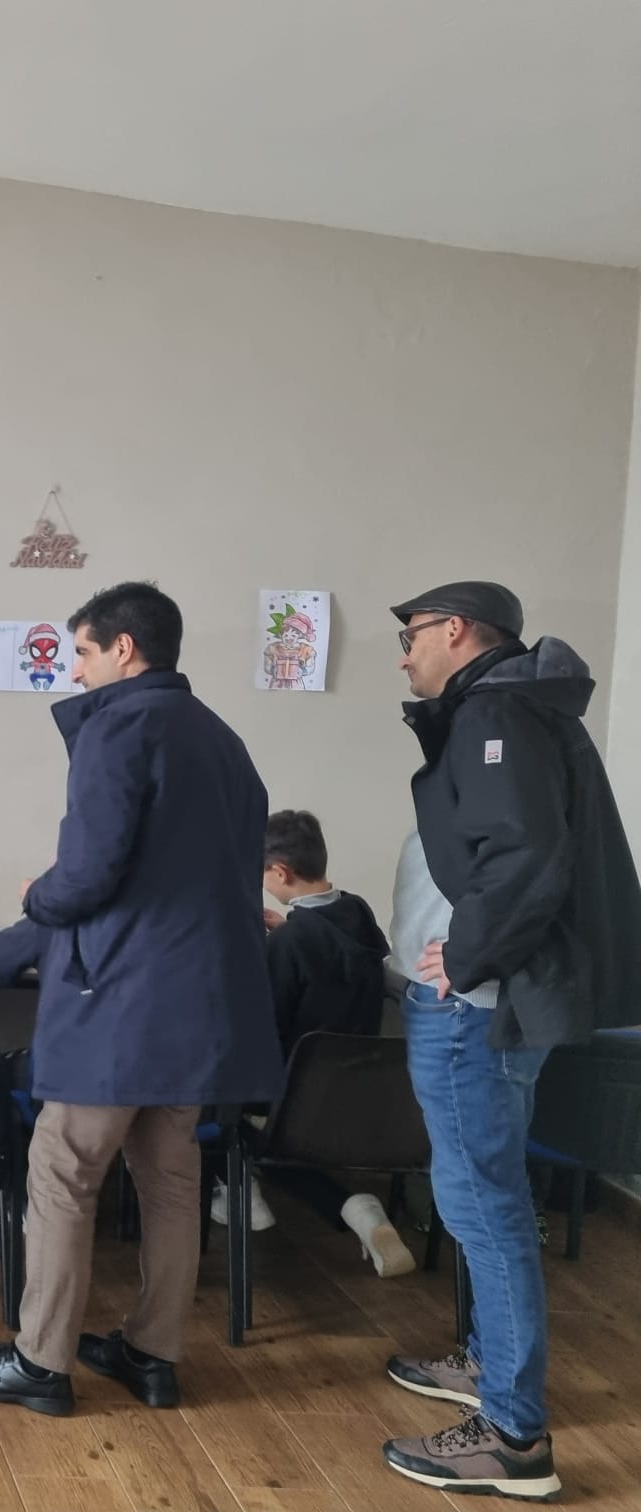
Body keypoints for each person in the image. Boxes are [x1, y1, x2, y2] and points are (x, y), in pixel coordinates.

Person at [0, 582, 282, 1417]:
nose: (77, 671)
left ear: (124, 649)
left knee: (63, 1168)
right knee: (171, 1180)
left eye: (84, 652)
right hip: (201, 1004)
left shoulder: (118, 727)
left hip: (121, 997)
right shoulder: (226, 741)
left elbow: (91, 873)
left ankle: (40, 1361)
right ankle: (152, 1354)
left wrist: (40, 896)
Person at [375, 582, 640, 1502]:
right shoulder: (515, 709)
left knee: (485, 1208)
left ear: (455, 631)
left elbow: (525, 851)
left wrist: (467, 956)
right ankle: (491, 1366)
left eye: (412, 636)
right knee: (490, 1198)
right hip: (489, 1004)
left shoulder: (496, 713)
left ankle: (515, 1437)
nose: (404, 655)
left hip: (474, 1009)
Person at [219, 810, 409, 1276]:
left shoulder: (289, 945)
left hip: (293, 1101)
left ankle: (240, 1196)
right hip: (357, 1097)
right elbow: (329, 957)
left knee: (211, 1105)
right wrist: (290, 931)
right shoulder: (358, 914)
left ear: (280, 872)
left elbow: (259, 1028)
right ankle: (360, 1209)